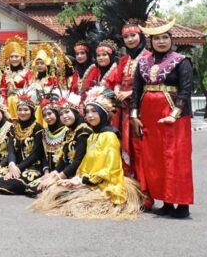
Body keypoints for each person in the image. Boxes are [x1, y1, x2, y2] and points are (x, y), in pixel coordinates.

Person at [30, 86, 143, 220]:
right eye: (87, 111)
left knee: (63, 197)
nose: (89, 115)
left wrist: (82, 181)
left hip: (105, 183)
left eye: (94, 111)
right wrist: (75, 179)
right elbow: (85, 165)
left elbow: (109, 169)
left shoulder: (109, 135)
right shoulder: (93, 136)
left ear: (103, 114)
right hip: (89, 180)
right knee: (54, 190)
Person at [132, 18, 194, 219]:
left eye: (165, 38)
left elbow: (185, 91)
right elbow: (136, 90)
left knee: (176, 158)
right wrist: (134, 115)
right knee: (155, 160)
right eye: (157, 38)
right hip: (149, 116)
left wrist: (175, 114)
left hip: (173, 115)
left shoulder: (182, 61)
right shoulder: (143, 63)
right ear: (150, 42)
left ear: (171, 39)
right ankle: (166, 201)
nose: (161, 42)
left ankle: (182, 205)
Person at [100, 0, 155, 198]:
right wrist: (116, 93)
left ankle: (144, 192)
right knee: (123, 147)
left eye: (134, 35)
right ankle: (127, 188)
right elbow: (113, 80)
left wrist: (130, 94)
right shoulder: (124, 60)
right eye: (127, 37)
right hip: (121, 112)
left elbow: (151, 82)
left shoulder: (149, 57)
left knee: (141, 150)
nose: (130, 40)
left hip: (141, 111)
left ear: (141, 36)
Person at [33, 93, 92, 193]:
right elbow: (63, 159)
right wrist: (54, 174)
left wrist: (58, 178)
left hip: (79, 174)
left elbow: (78, 161)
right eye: (61, 114)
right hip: (67, 171)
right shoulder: (69, 131)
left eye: (67, 112)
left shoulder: (83, 130)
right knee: (35, 186)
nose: (64, 116)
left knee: (48, 189)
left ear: (76, 112)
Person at [0, 90, 45, 195]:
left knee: (8, 184)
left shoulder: (37, 128)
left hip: (33, 166)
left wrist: (18, 168)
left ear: (32, 111)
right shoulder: (14, 127)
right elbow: (11, 150)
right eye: (20, 110)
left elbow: (36, 154)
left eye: (26, 110)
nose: (22, 113)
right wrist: (12, 164)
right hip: (16, 164)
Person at [25, 92, 67, 197]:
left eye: (50, 114)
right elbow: (43, 154)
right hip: (49, 172)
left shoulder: (67, 131)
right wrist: (46, 172)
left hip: (62, 173)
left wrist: (56, 175)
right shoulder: (45, 132)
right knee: (30, 188)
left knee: (46, 191)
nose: (47, 118)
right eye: (44, 115)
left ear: (57, 114)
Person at [0, 36, 33, 121]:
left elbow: (31, 91)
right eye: (12, 57)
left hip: (23, 106)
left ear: (21, 58)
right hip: (8, 104)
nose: (14, 59)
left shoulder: (27, 73)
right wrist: (4, 108)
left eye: (16, 56)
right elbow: (3, 92)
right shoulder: (5, 74)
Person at [66, 20, 97, 96]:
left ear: (88, 54)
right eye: (77, 54)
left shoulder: (95, 69)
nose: (79, 56)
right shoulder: (75, 72)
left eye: (82, 53)